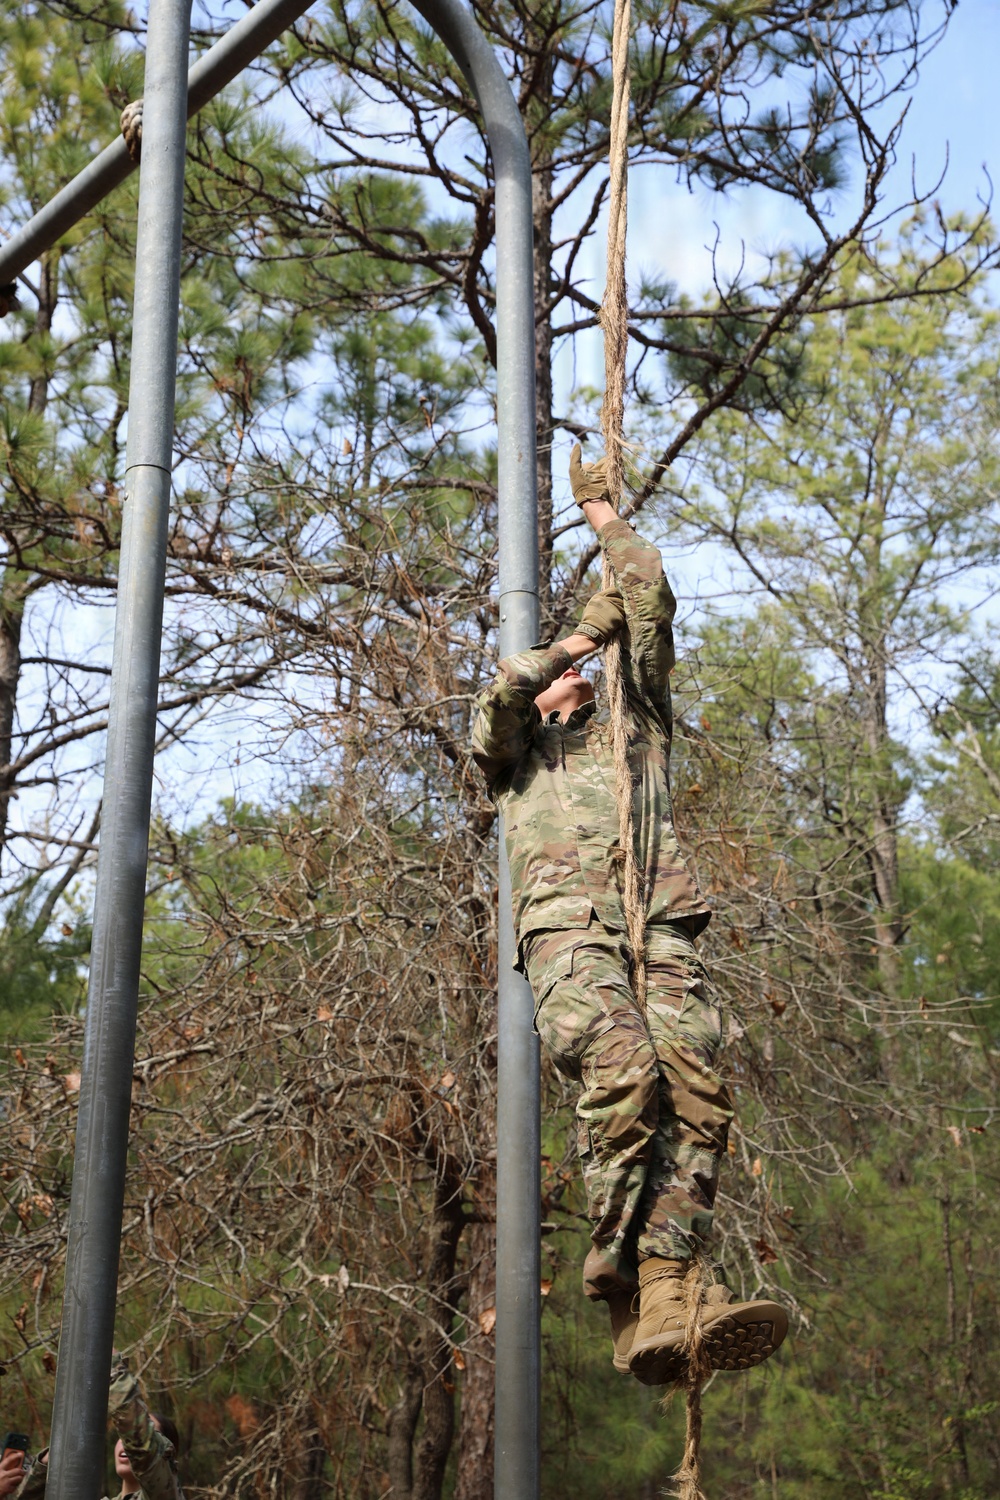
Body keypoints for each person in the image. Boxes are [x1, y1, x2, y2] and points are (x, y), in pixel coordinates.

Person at [471, 446, 789, 1384]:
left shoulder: (635, 733)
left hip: (661, 927)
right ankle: (616, 1266)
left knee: (698, 1088)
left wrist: (605, 516)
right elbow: (497, 702)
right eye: (564, 684)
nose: (582, 688)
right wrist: (569, 647)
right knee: (624, 1070)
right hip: (574, 936)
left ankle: (668, 1284)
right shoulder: (516, 760)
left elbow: (647, 591)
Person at [15, 1358, 183, 1500]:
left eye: (152, 1434)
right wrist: (49, 1463)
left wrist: (108, 1361)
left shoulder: (169, 1493)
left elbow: (143, 1444)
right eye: (123, 1437)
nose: (127, 1443)